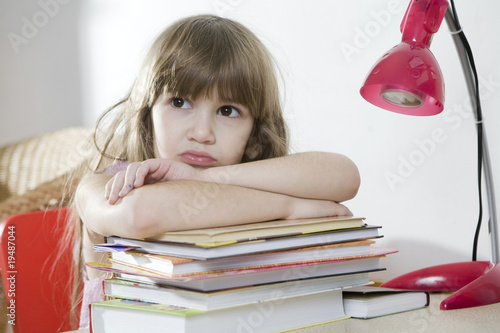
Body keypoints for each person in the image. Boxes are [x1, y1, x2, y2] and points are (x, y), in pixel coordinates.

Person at [71, 14, 360, 329]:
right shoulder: (103, 184)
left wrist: (201, 177)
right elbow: (140, 214)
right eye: (180, 102)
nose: (202, 132)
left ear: (254, 139)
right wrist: (289, 207)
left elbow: (344, 175)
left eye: (228, 111)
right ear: (147, 114)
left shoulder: (250, 178)